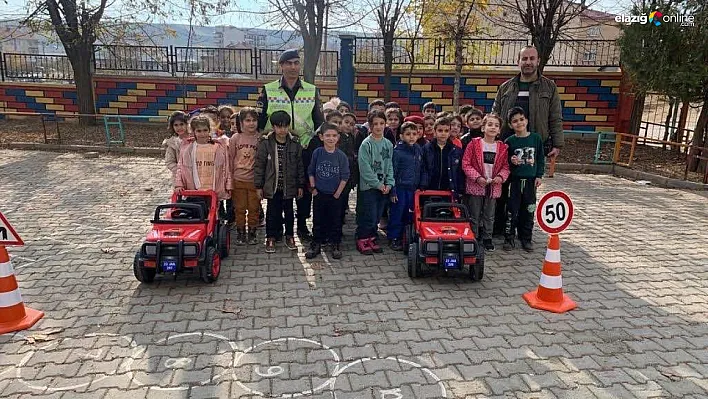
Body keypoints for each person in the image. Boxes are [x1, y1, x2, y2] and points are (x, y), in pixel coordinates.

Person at [492, 45, 563, 237]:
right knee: (503, 187)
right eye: (524, 59)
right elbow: (495, 114)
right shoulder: (505, 87)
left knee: (527, 193)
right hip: (507, 147)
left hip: (533, 148)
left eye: (532, 58)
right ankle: (501, 227)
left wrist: (557, 143)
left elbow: (555, 117)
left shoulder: (549, 87)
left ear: (538, 61)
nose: (528, 62)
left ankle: (525, 231)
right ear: (518, 62)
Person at [256, 49, 325, 242]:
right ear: (281, 66)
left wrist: (312, 140)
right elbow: (260, 121)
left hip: (304, 147)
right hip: (278, 147)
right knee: (278, 190)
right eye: (289, 63)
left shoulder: (312, 90)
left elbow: (319, 120)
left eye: (296, 63)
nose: (293, 67)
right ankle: (276, 230)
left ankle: (302, 225)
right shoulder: (268, 89)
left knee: (304, 188)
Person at [254, 110, 305, 253]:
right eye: (279, 126)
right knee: (272, 213)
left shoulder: (295, 143)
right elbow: (259, 165)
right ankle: (271, 237)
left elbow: (299, 165)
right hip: (272, 186)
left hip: (289, 186)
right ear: (273, 127)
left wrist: (300, 184)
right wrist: (258, 186)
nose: (282, 130)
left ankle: (289, 236)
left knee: (289, 213)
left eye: (285, 126)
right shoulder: (265, 143)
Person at [461, 113, 510, 252]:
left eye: (496, 125)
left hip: (493, 187)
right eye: (490, 124)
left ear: (499, 130)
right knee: (474, 213)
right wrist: (477, 178)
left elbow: (505, 167)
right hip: (476, 185)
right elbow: (466, 163)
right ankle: (474, 236)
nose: (493, 128)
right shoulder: (474, 144)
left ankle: (487, 237)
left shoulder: (502, 148)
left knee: (489, 214)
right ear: (483, 128)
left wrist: (500, 177)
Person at [503, 106, 545, 252]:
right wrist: (511, 160)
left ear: (526, 120)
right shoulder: (509, 141)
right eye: (515, 121)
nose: (519, 123)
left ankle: (526, 238)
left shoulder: (536, 138)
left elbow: (540, 158)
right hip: (514, 182)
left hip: (530, 182)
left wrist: (539, 175)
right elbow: (504, 160)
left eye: (521, 119)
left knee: (529, 210)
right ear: (510, 125)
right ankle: (509, 238)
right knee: (511, 210)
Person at [306, 122, 350, 260]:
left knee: (335, 220)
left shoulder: (341, 155)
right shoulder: (317, 153)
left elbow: (345, 176)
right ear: (321, 137)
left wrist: (338, 193)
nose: (331, 138)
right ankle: (316, 243)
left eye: (334, 136)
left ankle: (335, 244)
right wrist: (313, 188)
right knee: (318, 220)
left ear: (338, 137)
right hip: (319, 193)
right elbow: (311, 171)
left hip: (335, 195)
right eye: (327, 135)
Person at [356, 110, 395, 255]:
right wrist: (378, 184)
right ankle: (362, 238)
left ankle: (372, 237)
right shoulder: (366, 145)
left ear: (385, 124)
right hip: (369, 187)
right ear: (370, 126)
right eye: (375, 124)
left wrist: (389, 184)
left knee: (377, 215)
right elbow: (365, 168)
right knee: (368, 213)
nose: (378, 127)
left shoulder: (388, 144)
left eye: (381, 123)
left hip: (384, 187)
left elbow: (390, 165)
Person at [174, 115, 232, 202]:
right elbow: (181, 168)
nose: (202, 134)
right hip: (194, 190)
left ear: (209, 130)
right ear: (193, 132)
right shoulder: (188, 148)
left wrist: (229, 185)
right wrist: (179, 184)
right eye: (199, 131)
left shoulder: (218, 147)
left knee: (212, 213)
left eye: (205, 130)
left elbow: (227, 167)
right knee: (198, 213)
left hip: (213, 189)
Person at [229, 107, 261, 245]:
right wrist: (229, 178)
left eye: (254, 120)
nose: (251, 123)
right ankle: (241, 232)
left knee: (254, 208)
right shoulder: (236, 138)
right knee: (240, 208)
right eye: (248, 120)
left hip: (254, 180)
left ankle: (252, 232)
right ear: (241, 122)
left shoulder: (260, 138)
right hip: (238, 179)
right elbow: (230, 158)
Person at [388, 122, 422, 251]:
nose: (411, 137)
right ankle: (394, 237)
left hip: (413, 189)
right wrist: (393, 191)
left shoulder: (418, 149)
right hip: (400, 188)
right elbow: (393, 172)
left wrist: (421, 184)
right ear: (401, 136)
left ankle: (407, 236)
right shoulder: (397, 152)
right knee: (398, 213)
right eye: (408, 134)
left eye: (414, 134)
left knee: (410, 214)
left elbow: (421, 168)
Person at [420, 117, 463, 196]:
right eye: (440, 130)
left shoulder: (456, 151)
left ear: (449, 132)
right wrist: (422, 185)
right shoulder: (426, 149)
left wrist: (459, 189)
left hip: (449, 190)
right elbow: (423, 168)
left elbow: (459, 172)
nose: (443, 133)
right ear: (434, 132)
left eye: (446, 131)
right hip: (428, 189)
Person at [339, 112, 359, 223]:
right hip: (340, 173)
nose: (348, 125)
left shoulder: (351, 137)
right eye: (346, 122)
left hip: (349, 173)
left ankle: (341, 219)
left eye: (351, 124)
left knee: (344, 198)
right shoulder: (337, 137)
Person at [163, 111, 189, 182]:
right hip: (180, 178)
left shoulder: (194, 139)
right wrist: (180, 171)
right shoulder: (172, 143)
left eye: (181, 124)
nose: (179, 127)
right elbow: (169, 162)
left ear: (187, 124)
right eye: (176, 125)